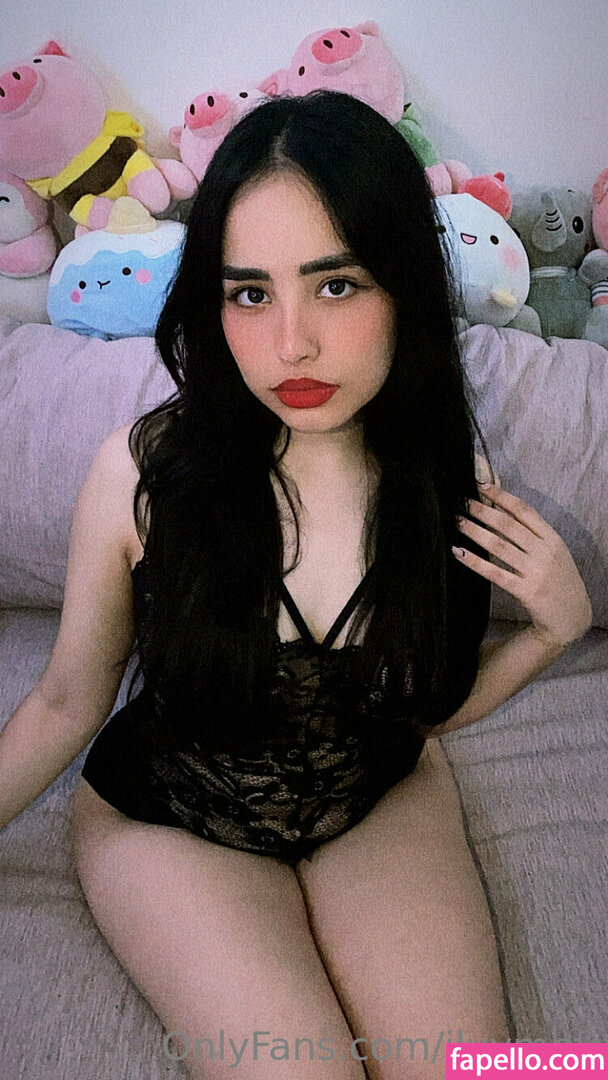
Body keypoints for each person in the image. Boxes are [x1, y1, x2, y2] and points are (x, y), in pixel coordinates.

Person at [0, 91, 592, 1080]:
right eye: (248, 294)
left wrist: (550, 633)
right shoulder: (143, 478)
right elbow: (65, 701)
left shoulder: (443, 481)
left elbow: (424, 710)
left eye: (335, 285)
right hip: (175, 817)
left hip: (378, 796)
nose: (291, 347)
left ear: (403, 286)